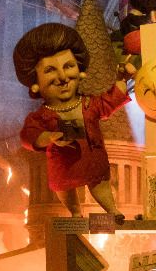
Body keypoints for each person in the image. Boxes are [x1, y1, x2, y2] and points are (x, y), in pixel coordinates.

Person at [14, 22, 132, 218]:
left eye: (68, 66)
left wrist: (121, 78)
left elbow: (110, 100)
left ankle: (112, 210)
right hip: (64, 168)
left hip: (94, 163)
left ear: (80, 71)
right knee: (66, 189)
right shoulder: (42, 116)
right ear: (35, 83)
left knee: (100, 185)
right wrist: (48, 137)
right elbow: (29, 135)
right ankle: (75, 213)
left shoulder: (89, 104)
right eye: (50, 70)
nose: (62, 77)